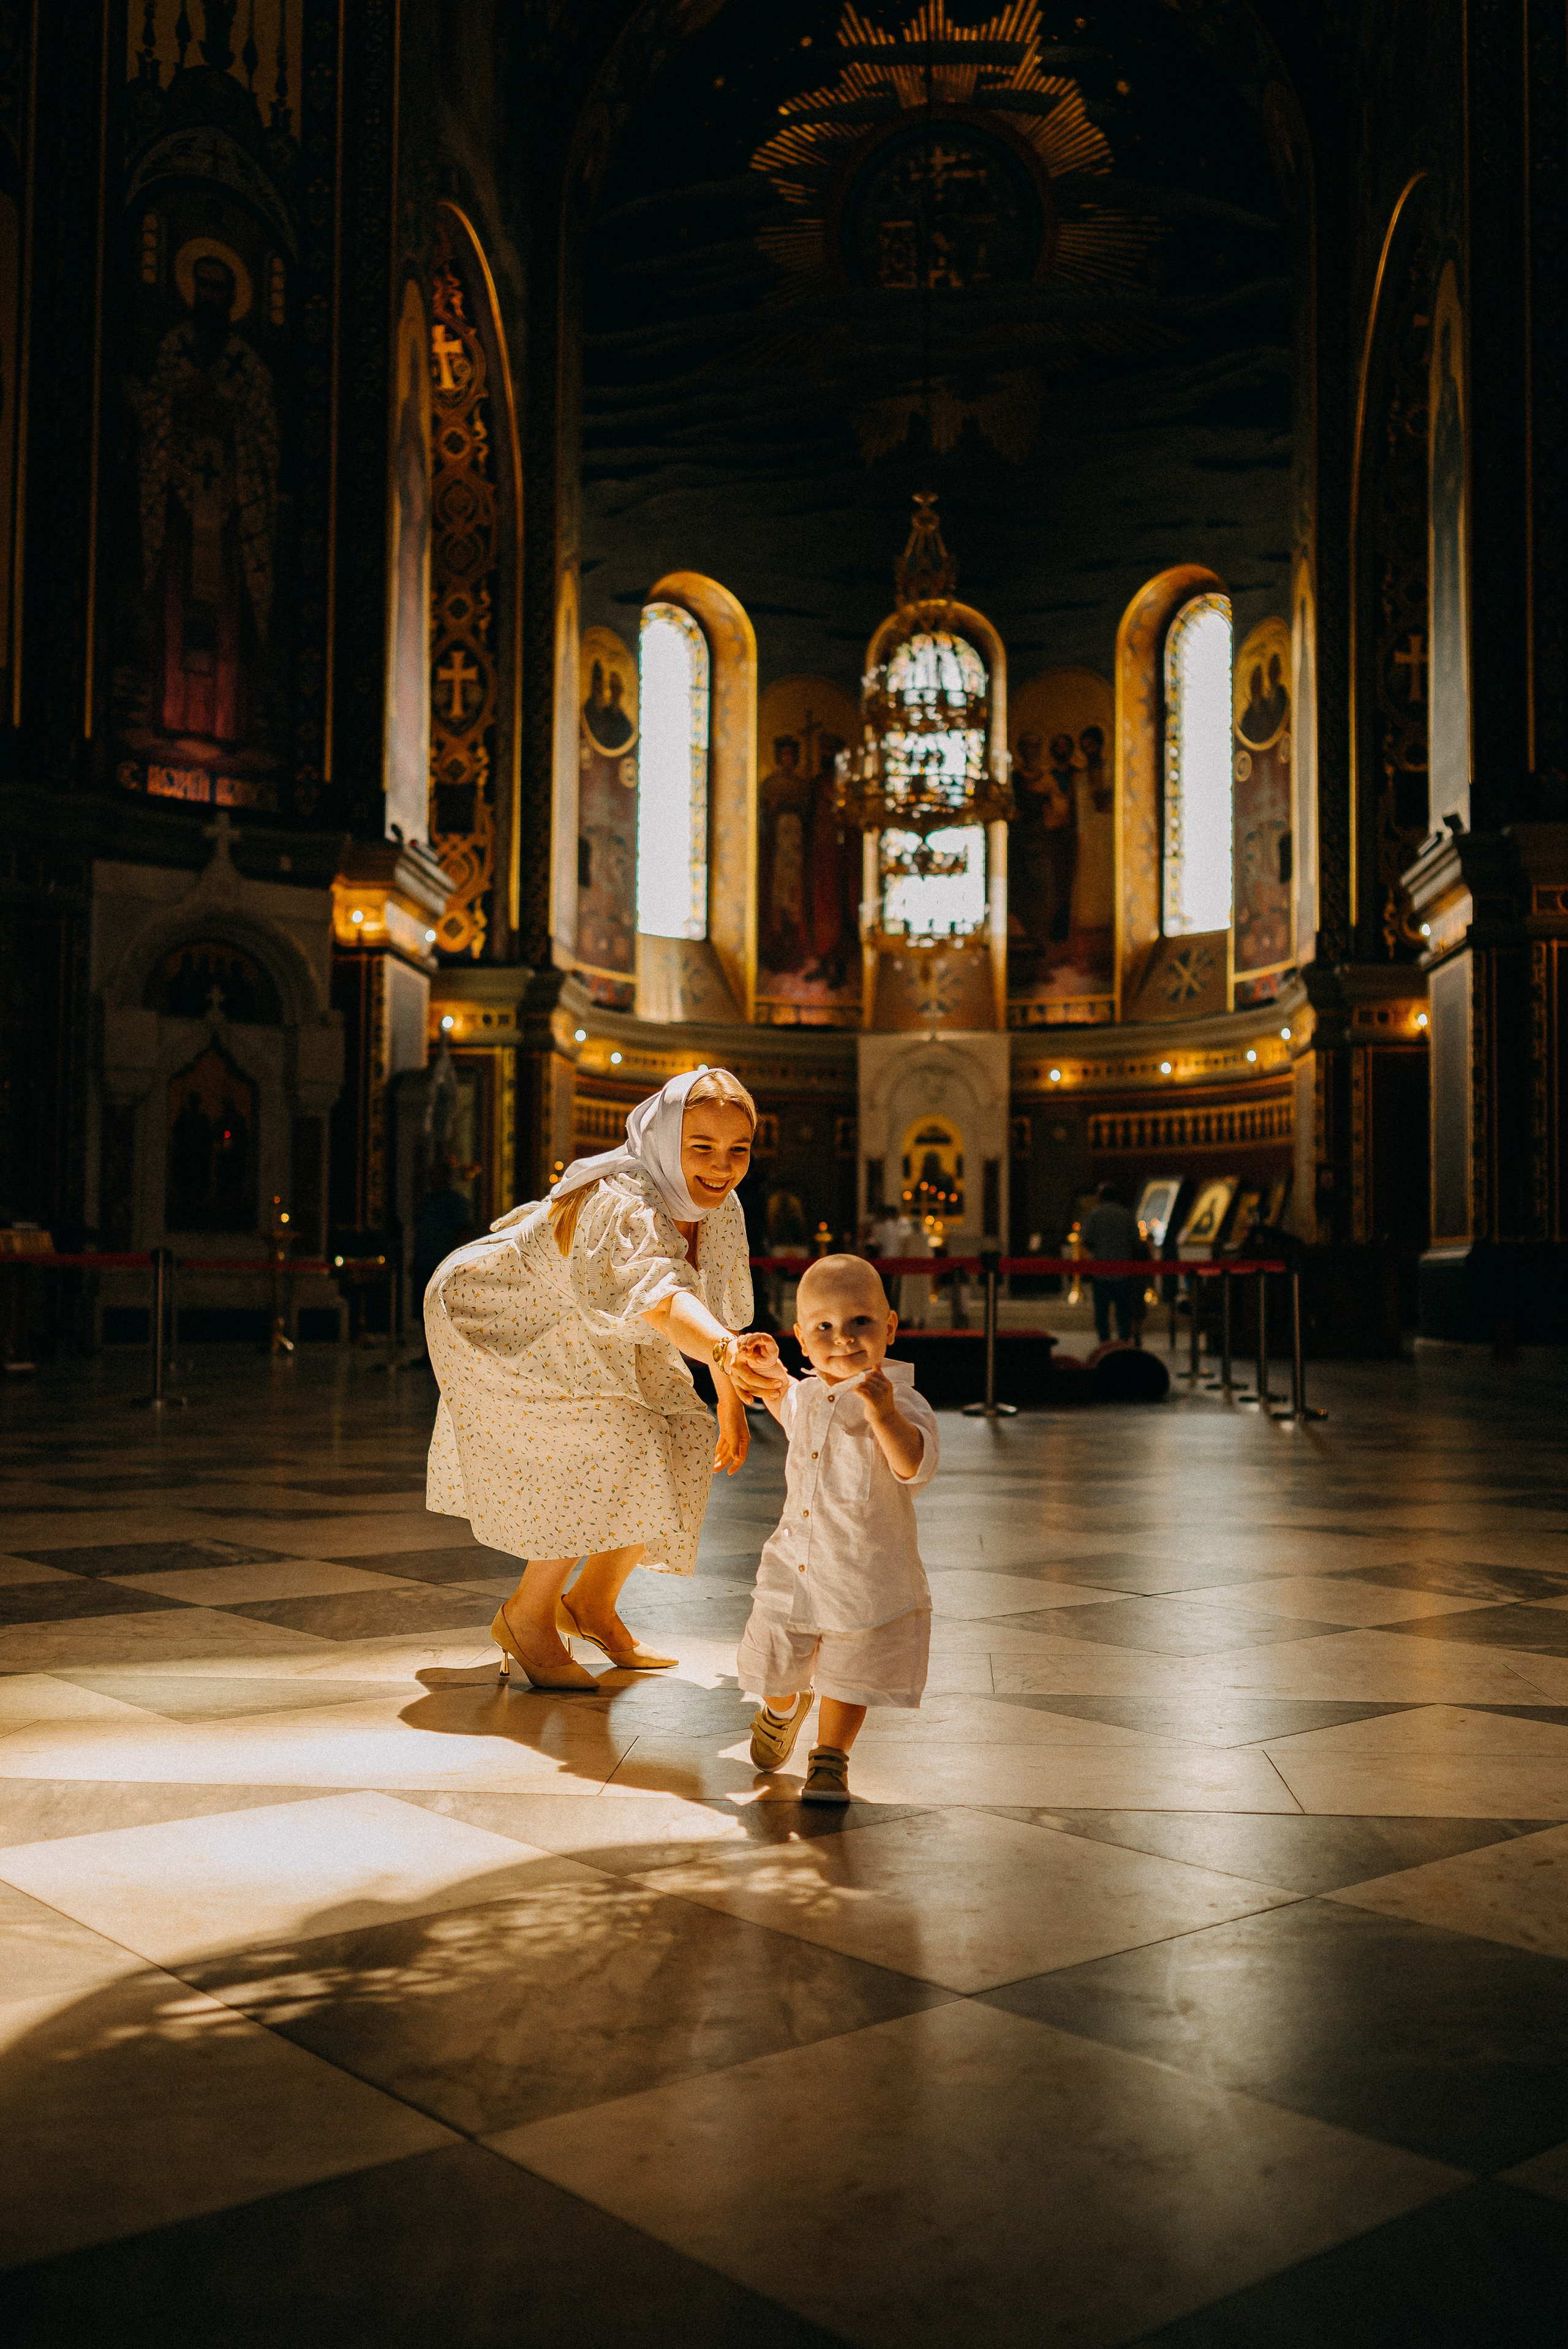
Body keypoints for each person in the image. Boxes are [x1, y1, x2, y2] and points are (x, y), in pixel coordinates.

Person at [424, 1069, 785, 1690]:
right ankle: (527, 1616)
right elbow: (664, 1301)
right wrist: (726, 1355)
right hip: (493, 1315)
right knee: (614, 1439)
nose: (721, 1166)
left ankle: (589, 1605)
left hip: (585, 1322)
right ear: (666, 1138)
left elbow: (712, 1303)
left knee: (680, 1433)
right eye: (701, 1147)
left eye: (738, 1149)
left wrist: (727, 1397)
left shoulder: (718, 1206)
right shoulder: (625, 1200)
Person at [739, 1254, 938, 1802]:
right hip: (794, 1565)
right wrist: (770, 1369)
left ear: (890, 1328)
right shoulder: (807, 1392)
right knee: (776, 1657)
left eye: (860, 1323)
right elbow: (783, 1400)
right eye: (824, 1327)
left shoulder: (904, 1400)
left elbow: (912, 1465)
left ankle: (830, 1756)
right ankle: (781, 1708)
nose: (843, 1339)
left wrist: (885, 1416)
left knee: (853, 1668)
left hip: (864, 1573)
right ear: (802, 1338)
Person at [1083, 1180, 1145, 1345]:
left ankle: (1105, 1344)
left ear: (1101, 1197)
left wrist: (1100, 1250)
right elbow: (1136, 1241)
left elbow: (1087, 1240)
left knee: (1101, 1314)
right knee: (1123, 1313)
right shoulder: (1126, 1214)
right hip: (1123, 1272)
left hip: (1101, 1272)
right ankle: (1124, 1342)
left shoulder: (1095, 1215)